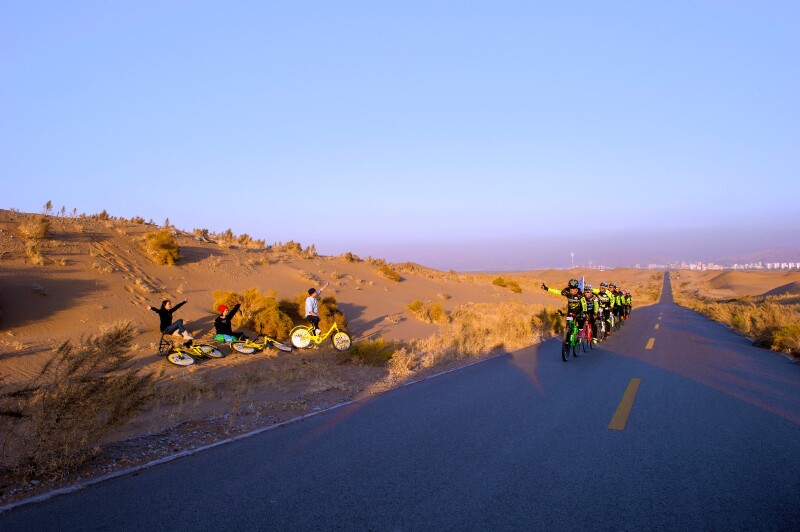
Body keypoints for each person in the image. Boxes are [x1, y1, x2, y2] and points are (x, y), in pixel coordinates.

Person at [541, 278, 586, 359]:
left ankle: (580, 332)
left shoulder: (580, 295)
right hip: (570, 311)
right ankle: (567, 342)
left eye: (574, 288)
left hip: (579, 312)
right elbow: (557, 291)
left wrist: (584, 312)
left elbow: (584, 304)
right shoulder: (566, 291)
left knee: (581, 320)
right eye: (571, 288)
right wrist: (546, 288)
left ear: (577, 287)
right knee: (568, 328)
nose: (572, 290)